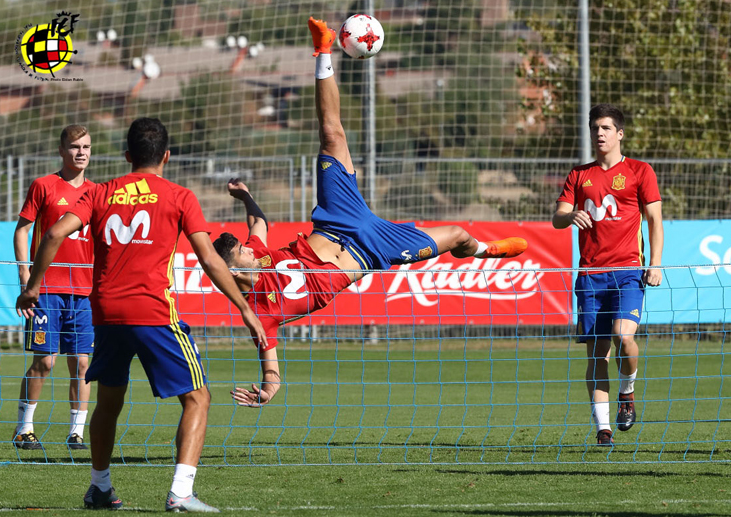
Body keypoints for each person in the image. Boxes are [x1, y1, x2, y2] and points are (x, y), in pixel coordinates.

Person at [222, 17, 528, 408]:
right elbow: (271, 367)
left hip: (337, 221)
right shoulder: (259, 315)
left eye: (246, 249)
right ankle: (486, 251)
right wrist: (267, 390)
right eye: (242, 254)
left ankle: (323, 50)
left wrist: (245, 196)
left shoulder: (259, 255)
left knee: (332, 134)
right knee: (456, 235)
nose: (250, 250)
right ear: (233, 271)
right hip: (370, 252)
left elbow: (259, 224)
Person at [16, 118, 267, 511]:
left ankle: (99, 487)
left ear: (127, 155)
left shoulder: (101, 192)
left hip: (106, 313)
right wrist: (245, 308)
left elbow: (51, 235)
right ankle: (181, 492)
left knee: (108, 402)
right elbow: (209, 260)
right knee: (198, 399)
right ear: (166, 156)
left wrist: (32, 286)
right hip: (153, 312)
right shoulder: (180, 196)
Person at [551, 104, 664, 446]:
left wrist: (655, 263)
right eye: (595, 128)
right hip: (589, 277)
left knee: (624, 337)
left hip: (628, 272)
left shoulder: (640, 171)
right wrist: (569, 218)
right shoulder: (579, 175)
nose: (599, 133)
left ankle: (627, 393)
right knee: (597, 355)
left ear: (620, 134)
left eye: (605, 128)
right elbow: (558, 217)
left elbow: (655, 220)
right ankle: (603, 428)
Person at [12, 125, 95, 451]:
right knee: (45, 361)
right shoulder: (44, 186)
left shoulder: (98, 193)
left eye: (86, 146)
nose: (81, 152)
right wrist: (25, 276)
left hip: (84, 293)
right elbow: (22, 231)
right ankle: (24, 429)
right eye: (75, 146)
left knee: (82, 364)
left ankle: (77, 433)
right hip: (45, 290)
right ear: (62, 150)